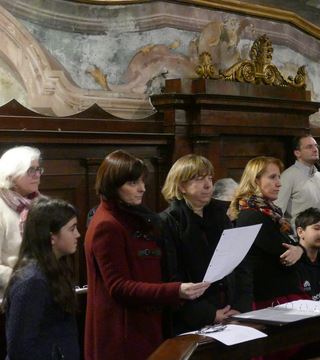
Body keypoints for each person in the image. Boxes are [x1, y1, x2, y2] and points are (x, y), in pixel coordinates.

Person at [84, 150, 209, 360]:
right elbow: (119, 286)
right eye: (133, 183)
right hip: (123, 332)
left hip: (141, 323)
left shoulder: (129, 216)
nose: (142, 188)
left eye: (142, 181)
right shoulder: (107, 225)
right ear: (113, 186)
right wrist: (175, 290)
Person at [160, 154, 239, 336]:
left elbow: (236, 264)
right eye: (199, 179)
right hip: (191, 318)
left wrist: (237, 305)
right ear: (181, 186)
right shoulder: (169, 222)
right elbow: (172, 276)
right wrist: (210, 314)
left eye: (210, 178)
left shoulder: (220, 216)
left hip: (228, 309)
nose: (208, 185)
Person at [3, 198, 80, 360]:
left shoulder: (55, 268)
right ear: (51, 237)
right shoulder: (32, 281)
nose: (78, 234)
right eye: (72, 229)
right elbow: (20, 349)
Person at [229, 156, 307, 311]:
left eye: (279, 177)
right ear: (255, 180)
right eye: (272, 177)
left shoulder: (270, 212)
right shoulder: (252, 215)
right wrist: (300, 249)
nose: (279, 183)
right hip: (269, 298)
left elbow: (292, 250)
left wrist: (299, 250)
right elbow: (284, 252)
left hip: (279, 291)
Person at [0, 146, 43, 296]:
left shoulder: (42, 203)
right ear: (11, 174)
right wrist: (25, 280)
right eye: (31, 170)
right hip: (13, 293)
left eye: (38, 169)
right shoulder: (1, 208)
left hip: (46, 287)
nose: (37, 174)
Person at [275, 135, 320, 225]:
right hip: (298, 236)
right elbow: (278, 211)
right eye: (309, 147)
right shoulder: (288, 176)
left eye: (316, 146)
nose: (315, 149)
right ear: (297, 153)